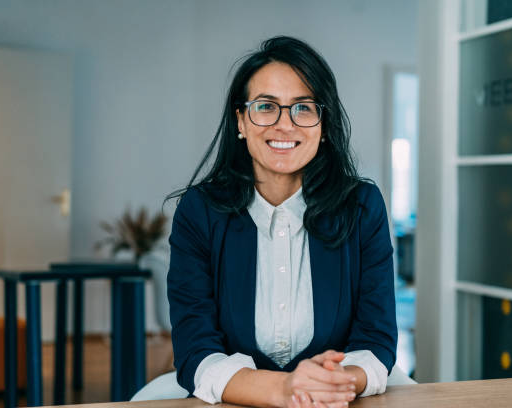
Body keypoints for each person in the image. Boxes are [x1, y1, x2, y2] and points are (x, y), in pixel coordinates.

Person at [166, 36, 397, 408]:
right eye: (265, 106)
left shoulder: (362, 207)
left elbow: (376, 339)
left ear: (324, 123)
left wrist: (335, 381)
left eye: (303, 108)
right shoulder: (199, 211)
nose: (284, 124)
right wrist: (286, 390)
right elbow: (196, 352)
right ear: (240, 120)